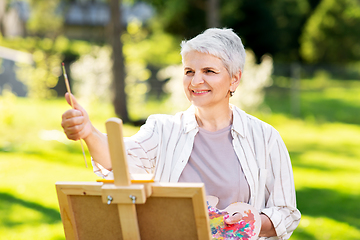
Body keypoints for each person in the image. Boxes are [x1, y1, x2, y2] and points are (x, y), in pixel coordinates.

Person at [61, 28, 301, 239]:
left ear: (234, 79)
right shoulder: (163, 129)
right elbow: (120, 160)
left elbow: (286, 213)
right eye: (189, 71)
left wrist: (255, 223)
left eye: (209, 71)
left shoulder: (265, 137)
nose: (196, 81)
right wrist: (88, 132)